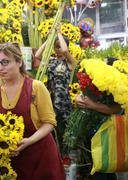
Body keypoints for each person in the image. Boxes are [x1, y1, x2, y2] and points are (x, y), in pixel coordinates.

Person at [0, 42, 65, 180]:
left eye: (5, 62)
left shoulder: (36, 87)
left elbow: (49, 123)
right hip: (14, 161)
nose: (0, 68)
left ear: (19, 62)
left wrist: (29, 141)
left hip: (41, 157)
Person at [35, 24, 76, 153]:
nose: (58, 49)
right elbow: (37, 55)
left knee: (64, 132)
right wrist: (49, 39)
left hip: (63, 102)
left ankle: (66, 158)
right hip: (50, 101)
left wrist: (58, 33)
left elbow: (64, 51)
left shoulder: (70, 62)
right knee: (51, 132)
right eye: (55, 47)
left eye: (59, 46)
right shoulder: (51, 61)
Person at [76, 93, 121, 180]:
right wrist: (78, 98)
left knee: (102, 168)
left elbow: (118, 108)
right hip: (92, 131)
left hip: (109, 131)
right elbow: (84, 91)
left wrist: (92, 105)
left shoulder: (120, 83)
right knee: (103, 169)